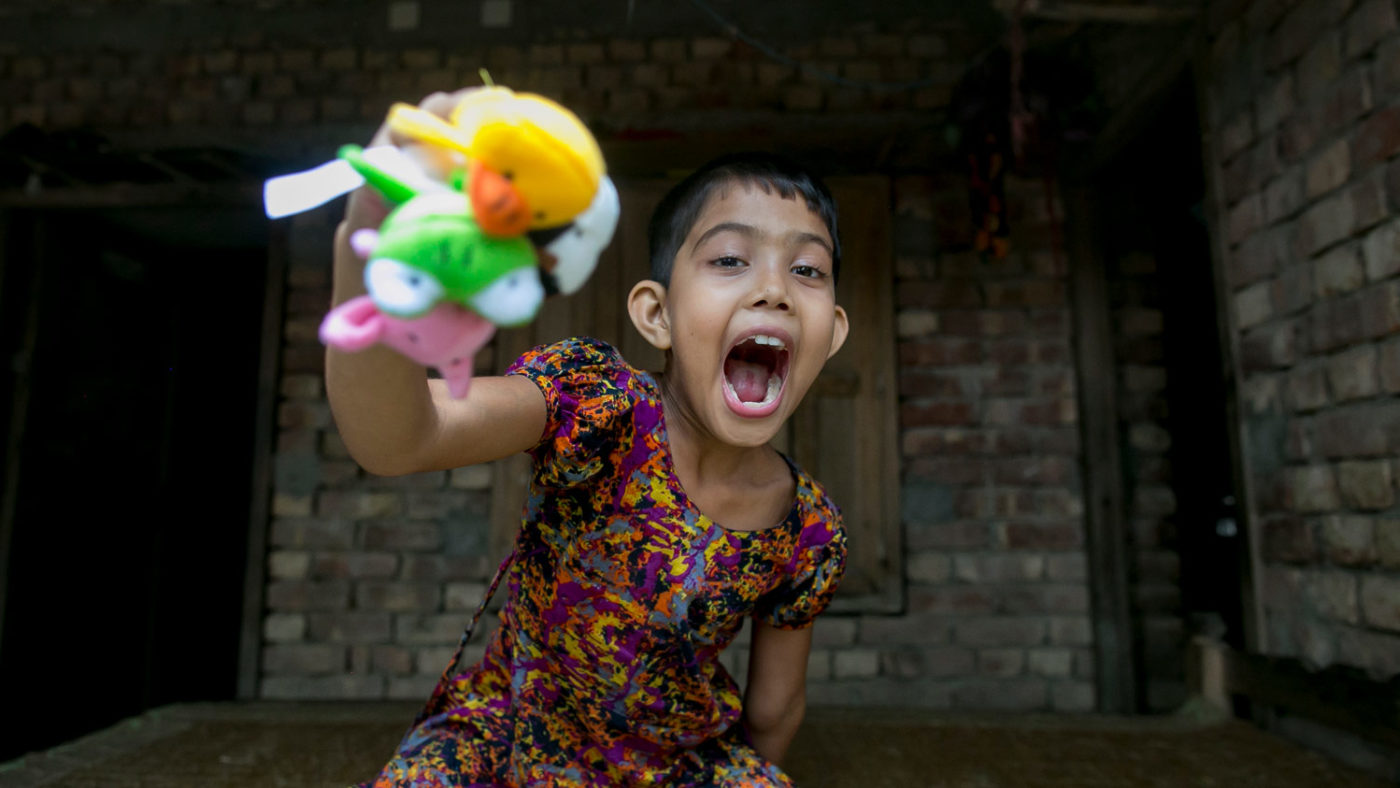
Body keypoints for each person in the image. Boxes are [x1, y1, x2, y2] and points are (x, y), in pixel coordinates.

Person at [328, 90, 851, 787]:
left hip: (676, 764)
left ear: (833, 334)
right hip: (504, 736)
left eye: (807, 269)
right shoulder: (596, 403)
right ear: (656, 315)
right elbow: (400, 439)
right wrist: (373, 252)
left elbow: (776, 707)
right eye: (730, 260)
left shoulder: (809, 530)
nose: (774, 290)